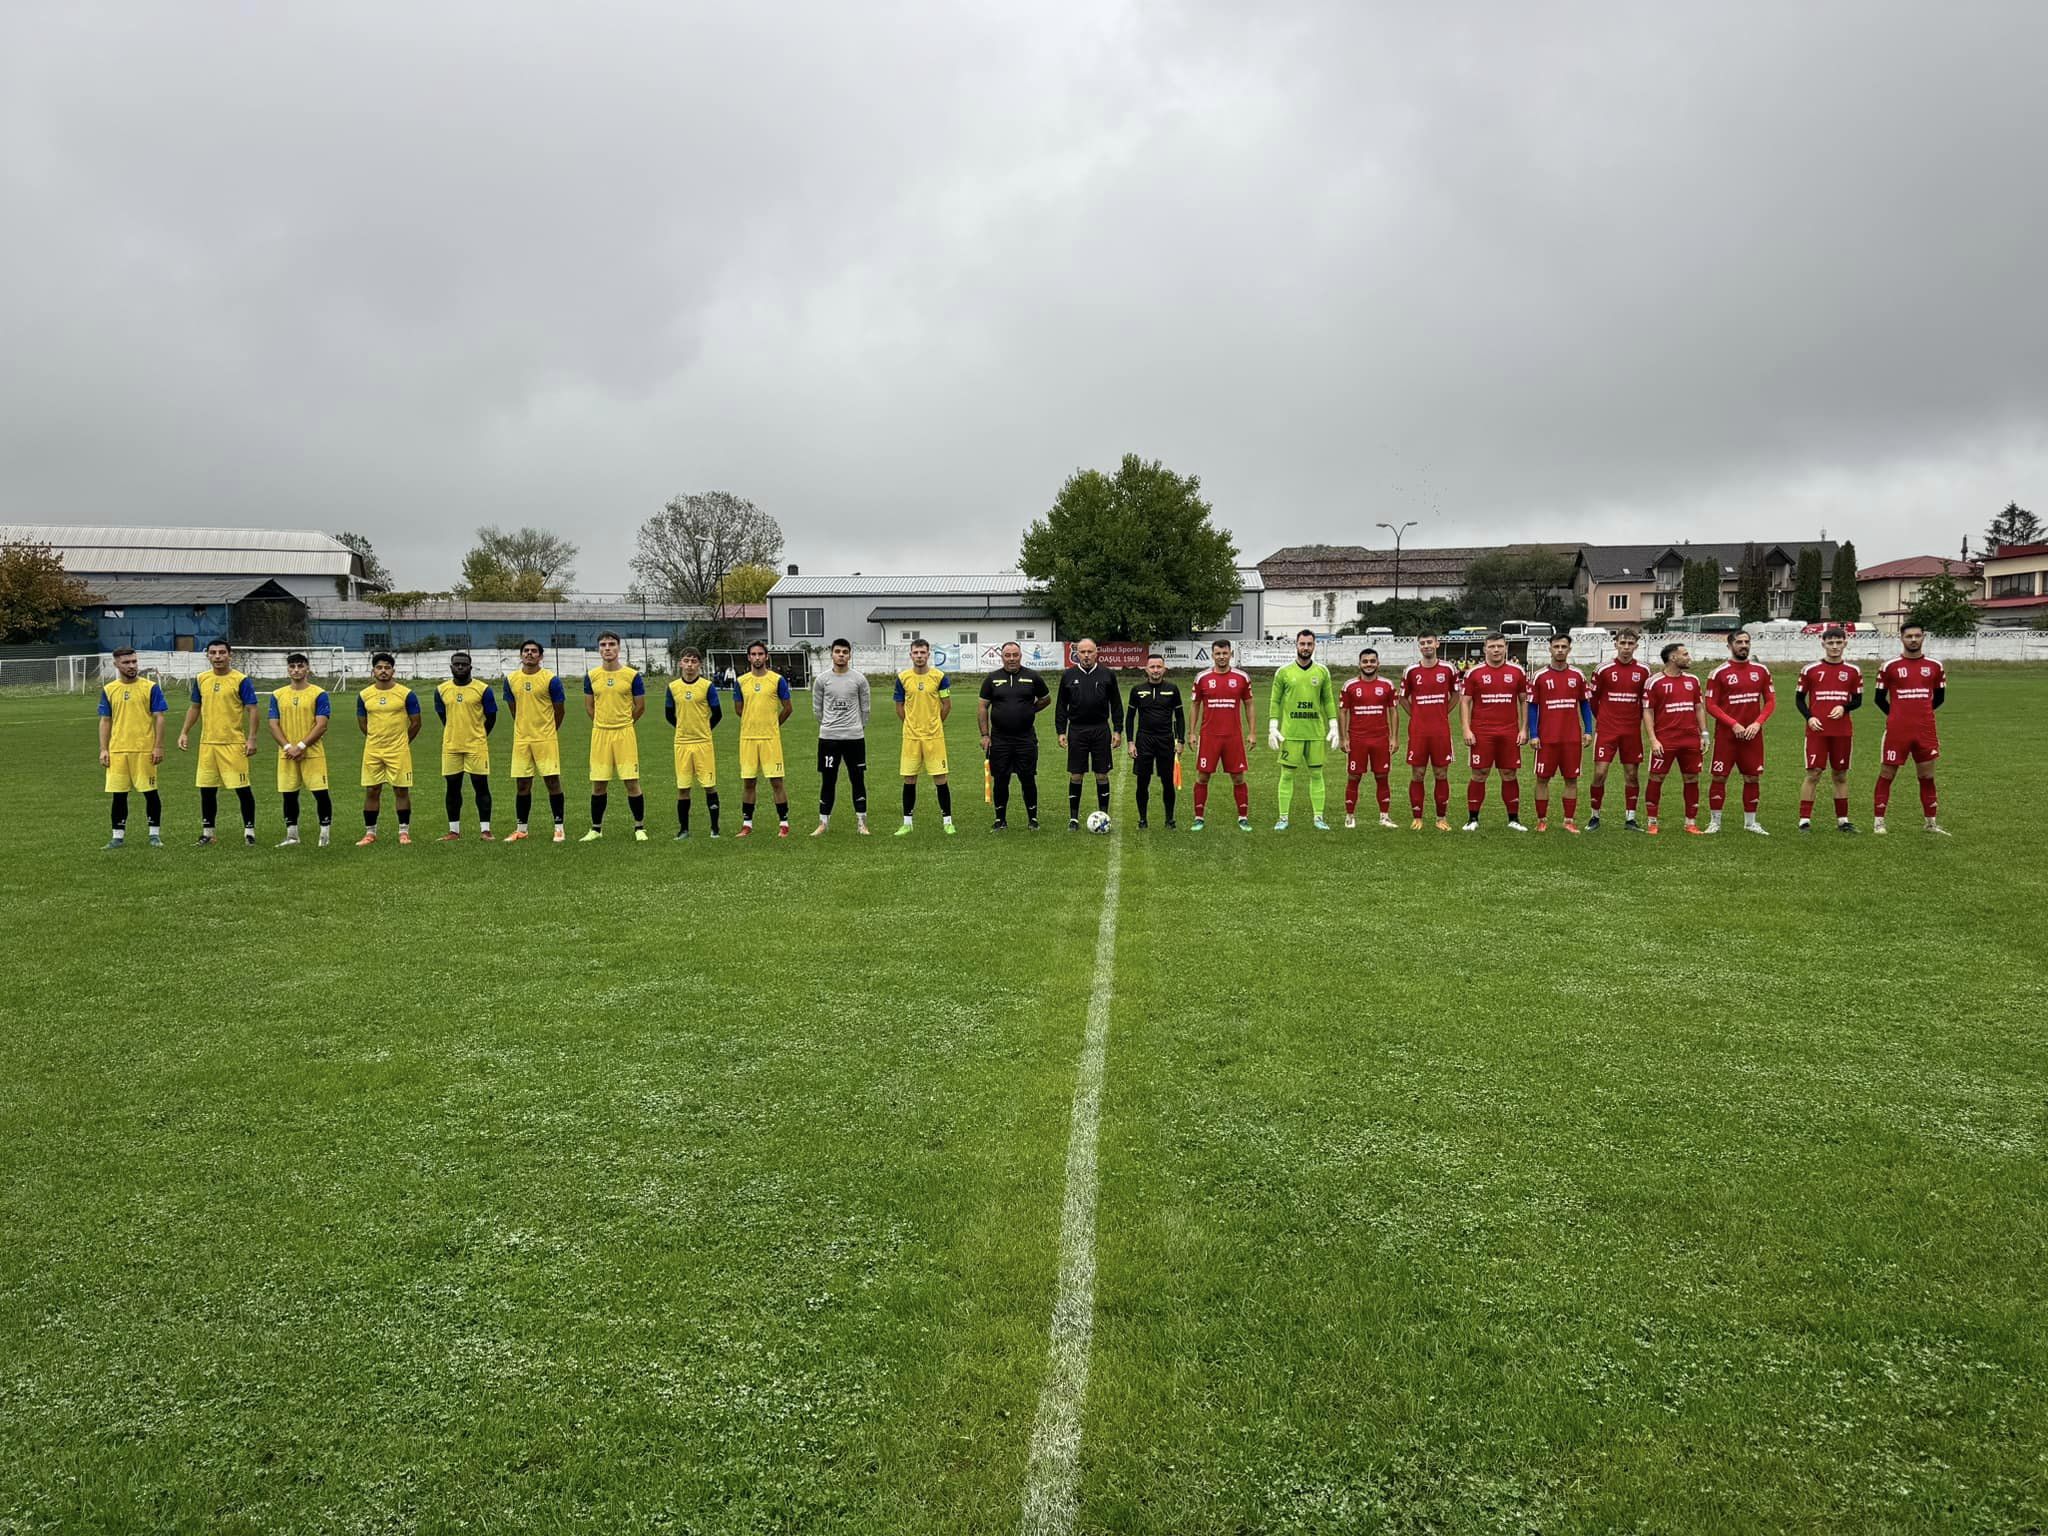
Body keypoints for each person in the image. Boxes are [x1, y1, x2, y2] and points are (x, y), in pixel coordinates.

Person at [177, 638, 260, 846]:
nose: (217, 657)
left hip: (233, 743)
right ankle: (208, 833)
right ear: (207, 656)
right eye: (213, 653)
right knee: (206, 789)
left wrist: (251, 738)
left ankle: (249, 832)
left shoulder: (241, 680)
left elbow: (252, 710)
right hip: (208, 744)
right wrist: (184, 732)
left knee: (242, 788)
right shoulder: (201, 679)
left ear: (229, 655)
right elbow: (195, 707)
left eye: (222, 652)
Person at [1873, 621, 1947, 835]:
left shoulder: (1935, 666)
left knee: (1926, 776)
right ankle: (1879, 821)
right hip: (1898, 731)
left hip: (1925, 730)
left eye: (1917, 636)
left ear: (1924, 637)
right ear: (1901, 638)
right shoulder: (1890, 666)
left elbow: (1940, 697)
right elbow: (1879, 699)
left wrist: (1921, 714)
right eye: (1909, 636)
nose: (1913, 640)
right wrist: (1897, 716)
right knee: (1887, 773)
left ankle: (1931, 823)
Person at [1705, 629, 1776, 835]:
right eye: (1739, 642)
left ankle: (1750, 822)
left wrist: (1757, 723)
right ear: (1730, 646)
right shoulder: (1719, 673)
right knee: (1719, 777)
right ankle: (1715, 822)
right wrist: (1733, 724)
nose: (1743, 645)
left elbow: (1770, 702)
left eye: (1746, 642)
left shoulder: (1761, 671)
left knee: (1752, 778)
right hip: (1727, 737)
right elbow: (1710, 704)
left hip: (1752, 736)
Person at [1268, 629, 1339, 831]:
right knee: (1287, 775)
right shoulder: (1283, 672)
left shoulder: (1322, 671)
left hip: (1316, 733)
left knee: (1317, 775)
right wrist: (1273, 726)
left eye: (1309, 644)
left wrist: (1333, 725)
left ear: (1314, 646)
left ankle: (1318, 817)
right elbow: (1275, 700)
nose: (1305, 648)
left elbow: (1328, 700)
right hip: (1291, 733)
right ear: (1296, 645)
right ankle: (1283, 818)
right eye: (1302, 644)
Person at [97, 646, 167, 849]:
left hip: (144, 750)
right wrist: (104, 749)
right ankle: (117, 837)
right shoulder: (109, 690)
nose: (132, 666)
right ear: (116, 664)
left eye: (134, 661)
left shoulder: (150, 687)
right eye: (126, 662)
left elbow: (159, 718)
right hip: (118, 750)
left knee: (150, 792)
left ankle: (154, 835)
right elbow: (105, 721)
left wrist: (158, 746)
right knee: (118, 795)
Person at [1458, 633, 1529, 832]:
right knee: (1479, 773)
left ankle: (1513, 819)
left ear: (1506, 648)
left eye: (1499, 646)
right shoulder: (1474, 673)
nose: (1496, 650)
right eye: (1492, 646)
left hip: (1509, 731)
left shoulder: (1517, 671)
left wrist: (1524, 729)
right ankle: (1472, 819)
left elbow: (1524, 700)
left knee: (1509, 773)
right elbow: (1465, 702)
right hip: (1482, 732)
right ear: (1484, 649)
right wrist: (1466, 729)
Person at [582, 631, 648, 841]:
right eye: (603, 645)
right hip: (600, 734)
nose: (607, 648)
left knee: (631, 781)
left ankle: (639, 828)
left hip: (624, 733)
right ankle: (596, 829)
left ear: (619, 648)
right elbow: (589, 707)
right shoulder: (591, 676)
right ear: (598, 649)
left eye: (611, 644)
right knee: (599, 783)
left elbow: (640, 707)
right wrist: (602, 723)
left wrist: (624, 723)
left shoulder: (631, 675)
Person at [978, 641, 1051, 830]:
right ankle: (1000, 819)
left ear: (1021, 656)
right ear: (1002, 657)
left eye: (1015, 655)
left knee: (1027, 778)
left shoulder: (1032, 676)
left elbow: (1046, 699)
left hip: (1025, 738)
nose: (1011, 659)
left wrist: (1029, 710)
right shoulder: (992, 679)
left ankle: (1033, 818)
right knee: (1001, 779)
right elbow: (982, 707)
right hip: (1000, 739)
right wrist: (985, 735)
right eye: (1008, 655)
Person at [1796, 627, 1861, 833]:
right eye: (1830, 642)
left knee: (1840, 775)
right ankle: (1804, 820)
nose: (1834, 646)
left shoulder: (1853, 671)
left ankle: (1843, 820)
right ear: (1823, 643)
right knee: (1813, 773)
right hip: (1817, 730)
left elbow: (1858, 700)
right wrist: (1810, 717)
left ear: (1845, 644)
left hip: (1842, 731)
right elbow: (1799, 699)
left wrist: (1844, 707)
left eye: (1838, 642)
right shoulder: (1810, 670)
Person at [502, 640, 568, 844]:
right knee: (522, 784)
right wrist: (524, 727)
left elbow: (560, 709)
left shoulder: (550, 679)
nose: (529, 654)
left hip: (545, 739)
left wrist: (548, 730)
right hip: (522, 740)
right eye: (526, 651)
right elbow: (513, 708)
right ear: (521, 655)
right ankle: (521, 829)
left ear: (540, 656)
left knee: (552, 782)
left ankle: (559, 828)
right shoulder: (511, 679)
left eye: (534, 651)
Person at [1527, 634, 1593, 833]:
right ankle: (1541, 820)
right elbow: (1532, 707)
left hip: (1571, 737)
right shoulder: (1539, 676)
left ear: (1569, 649)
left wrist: (1589, 730)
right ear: (1550, 649)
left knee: (1571, 779)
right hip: (1547, 738)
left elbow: (1585, 704)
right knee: (1542, 778)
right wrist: (1534, 734)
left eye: (1564, 646)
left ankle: (1569, 820)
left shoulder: (1577, 675)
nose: (1560, 650)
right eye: (1556, 646)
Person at [267, 652, 332, 847]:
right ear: (288, 670)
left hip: (312, 753)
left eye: (300, 666)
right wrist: (288, 747)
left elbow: (321, 725)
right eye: (292, 666)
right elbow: (273, 724)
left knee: (320, 793)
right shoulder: (277, 695)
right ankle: (292, 836)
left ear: (307, 668)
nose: (296, 670)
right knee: (289, 794)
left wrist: (302, 746)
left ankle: (324, 836)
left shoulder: (319, 694)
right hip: (287, 754)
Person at [355, 652, 421, 845]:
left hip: (398, 751)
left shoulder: (406, 694)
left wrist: (401, 742)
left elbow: (416, 722)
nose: (383, 671)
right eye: (379, 667)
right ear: (373, 670)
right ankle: (370, 833)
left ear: (393, 670)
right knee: (372, 790)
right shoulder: (364, 695)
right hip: (373, 750)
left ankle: (403, 832)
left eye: (387, 668)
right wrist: (376, 739)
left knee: (401, 790)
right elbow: (362, 723)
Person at [1587, 630, 1650, 831]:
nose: (1626, 647)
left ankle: (1630, 818)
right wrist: (1603, 718)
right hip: (1606, 730)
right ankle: (1594, 816)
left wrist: (1635, 720)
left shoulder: (1644, 670)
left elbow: (1645, 702)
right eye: (1622, 643)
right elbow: (1593, 699)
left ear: (1636, 646)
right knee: (1600, 773)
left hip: (1631, 730)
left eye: (1630, 643)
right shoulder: (1602, 669)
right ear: (1615, 644)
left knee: (1632, 774)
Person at [1056, 638, 1122, 829]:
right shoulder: (1068, 675)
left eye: (1090, 652)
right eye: (1082, 652)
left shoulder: (1107, 674)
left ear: (1096, 653)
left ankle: (1104, 815)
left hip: (1101, 729)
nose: (1086, 655)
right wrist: (1061, 731)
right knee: (1076, 774)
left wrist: (1117, 729)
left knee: (1102, 774)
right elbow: (1061, 705)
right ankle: (1074, 818)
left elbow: (1116, 705)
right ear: (1076, 653)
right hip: (1076, 729)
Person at [1189, 639, 1253, 832]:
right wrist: (1192, 733)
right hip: (1209, 736)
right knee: (1202, 777)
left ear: (1230, 654)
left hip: (1233, 737)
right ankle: (1198, 817)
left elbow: (1249, 704)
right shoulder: (1202, 678)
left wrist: (1252, 732)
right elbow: (1195, 705)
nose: (1221, 657)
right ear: (1212, 654)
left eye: (1225, 653)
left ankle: (1243, 817)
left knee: (1238, 778)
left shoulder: (1241, 677)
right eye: (1218, 653)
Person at [1644, 641, 1707, 836]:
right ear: (1673, 657)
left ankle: (1690, 822)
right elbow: (1648, 711)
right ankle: (1652, 821)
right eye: (1685, 654)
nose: (1689, 658)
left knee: (1691, 777)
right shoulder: (1654, 682)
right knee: (1657, 776)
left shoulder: (1693, 681)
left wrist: (1704, 734)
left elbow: (1698, 707)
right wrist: (1653, 739)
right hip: (1665, 739)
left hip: (1690, 739)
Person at [434, 651, 498, 840]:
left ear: (471, 667)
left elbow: (491, 716)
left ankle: (485, 830)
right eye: (457, 664)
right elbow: (443, 716)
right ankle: (454, 831)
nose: (460, 667)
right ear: (451, 667)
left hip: (476, 746)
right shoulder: (441, 690)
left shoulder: (483, 689)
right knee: (452, 788)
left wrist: (479, 735)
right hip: (451, 746)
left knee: (481, 786)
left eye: (464, 664)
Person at [894, 638, 955, 835]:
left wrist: (935, 723)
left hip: (934, 736)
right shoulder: (903, 678)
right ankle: (907, 823)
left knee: (940, 778)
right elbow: (899, 707)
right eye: (916, 653)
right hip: (911, 737)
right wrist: (911, 724)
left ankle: (947, 821)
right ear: (911, 654)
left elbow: (946, 705)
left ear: (929, 654)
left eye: (923, 653)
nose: (919, 656)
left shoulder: (939, 677)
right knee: (909, 779)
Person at [733, 640, 794, 837]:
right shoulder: (741, 682)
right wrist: (753, 721)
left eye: (761, 654)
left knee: (777, 782)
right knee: (749, 782)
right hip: (748, 739)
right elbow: (739, 709)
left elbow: (788, 708)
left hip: (770, 739)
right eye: (754, 654)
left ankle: (784, 824)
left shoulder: (777, 680)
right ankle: (747, 825)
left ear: (766, 656)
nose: (757, 657)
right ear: (749, 657)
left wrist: (773, 724)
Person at [812, 638, 871, 836]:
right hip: (829, 739)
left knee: (857, 779)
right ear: (832, 654)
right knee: (828, 780)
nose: (841, 655)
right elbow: (817, 710)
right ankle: (823, 823)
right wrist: (830, 727)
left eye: (845, 652)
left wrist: (854, 728)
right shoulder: (821, 680)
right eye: (838, 651)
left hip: (854, 738)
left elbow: (866, 709)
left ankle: (862, 823)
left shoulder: (859, 679)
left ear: (850, 654)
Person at [1400, 633, 1459, 831]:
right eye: (1423, 643)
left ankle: (1441, 818)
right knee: (1418, 773)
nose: (1426, 646)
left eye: (1429, 642)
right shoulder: (1411, 671)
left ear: (1437, 644)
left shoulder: (1448, 668)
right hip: (1418, 732)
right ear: (1419, 646)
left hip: (1441, 731)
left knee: (1441, 773)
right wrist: (1416, 714)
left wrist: (1442, 711)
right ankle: (1417, 817)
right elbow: (1402, 698)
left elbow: (1456, 694)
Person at [666, 647, 723, 839]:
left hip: (703, 743)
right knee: (683, 788)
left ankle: (715, 829)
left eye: (694, 661)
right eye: (686, 661)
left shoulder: (707, 686)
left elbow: (717, 714)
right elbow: (669, 714)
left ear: (700, 664)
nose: (690, 665)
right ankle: (684, 830)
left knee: (709, 785)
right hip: (682, 743)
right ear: (681, 663)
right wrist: (683, 728)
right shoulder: (673, 687)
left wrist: (704, 730)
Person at [1340, 647, 1400, 830]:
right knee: (1354, 776)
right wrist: (1344, 738)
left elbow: (1393, 711)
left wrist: (1394, 738)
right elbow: (1343, 712)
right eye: (1365, 661)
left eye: (1372, 661)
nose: (1369, 664)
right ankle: (1350, 816)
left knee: (1382, 776)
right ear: (1359, 664)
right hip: (1357, 739)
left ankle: (1384, 816)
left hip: (1380, 738)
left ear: (1378, 663)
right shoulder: (1349, 686)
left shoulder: (1387, 685)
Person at [1124, 654, 1186, 829]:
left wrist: (1180, 740)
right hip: (1144, 740)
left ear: (1164, 669)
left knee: (1167, 781)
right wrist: (1130, 742)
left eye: (1159, 667)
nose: (1156, 670)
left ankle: (1169, 819)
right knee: (1142, 781)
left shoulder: (1172, 689)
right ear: (1146, 669)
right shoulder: (1137, 690)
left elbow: (1180, 717)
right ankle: (1142, 819)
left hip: (1166, 740)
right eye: (1152, 667)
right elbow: (1130, 718)